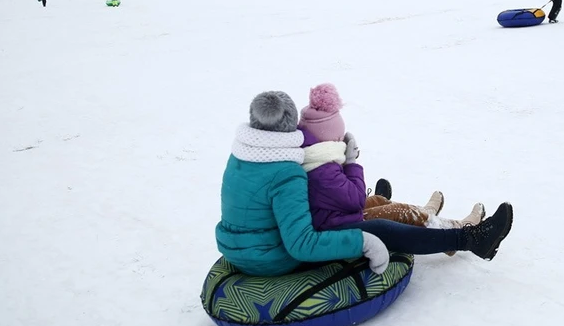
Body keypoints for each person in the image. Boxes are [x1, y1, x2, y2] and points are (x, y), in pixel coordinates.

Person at [215, 90, 514, 277]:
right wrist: (363, 241)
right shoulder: (286, 172)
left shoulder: (241, 158)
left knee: (370, 215)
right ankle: (469, 239)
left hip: (242, 249)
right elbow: (302, 244)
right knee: (381, 229)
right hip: (271, 259)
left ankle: (427, 221)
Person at [296, 83, 485, 240]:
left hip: (331, 217)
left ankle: (424, 214)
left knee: (378, 200)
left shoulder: (313, 156)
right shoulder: (322, 169)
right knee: (398, 212)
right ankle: (459, 228)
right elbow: (356, 199)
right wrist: (350, 163)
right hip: (337, 227)